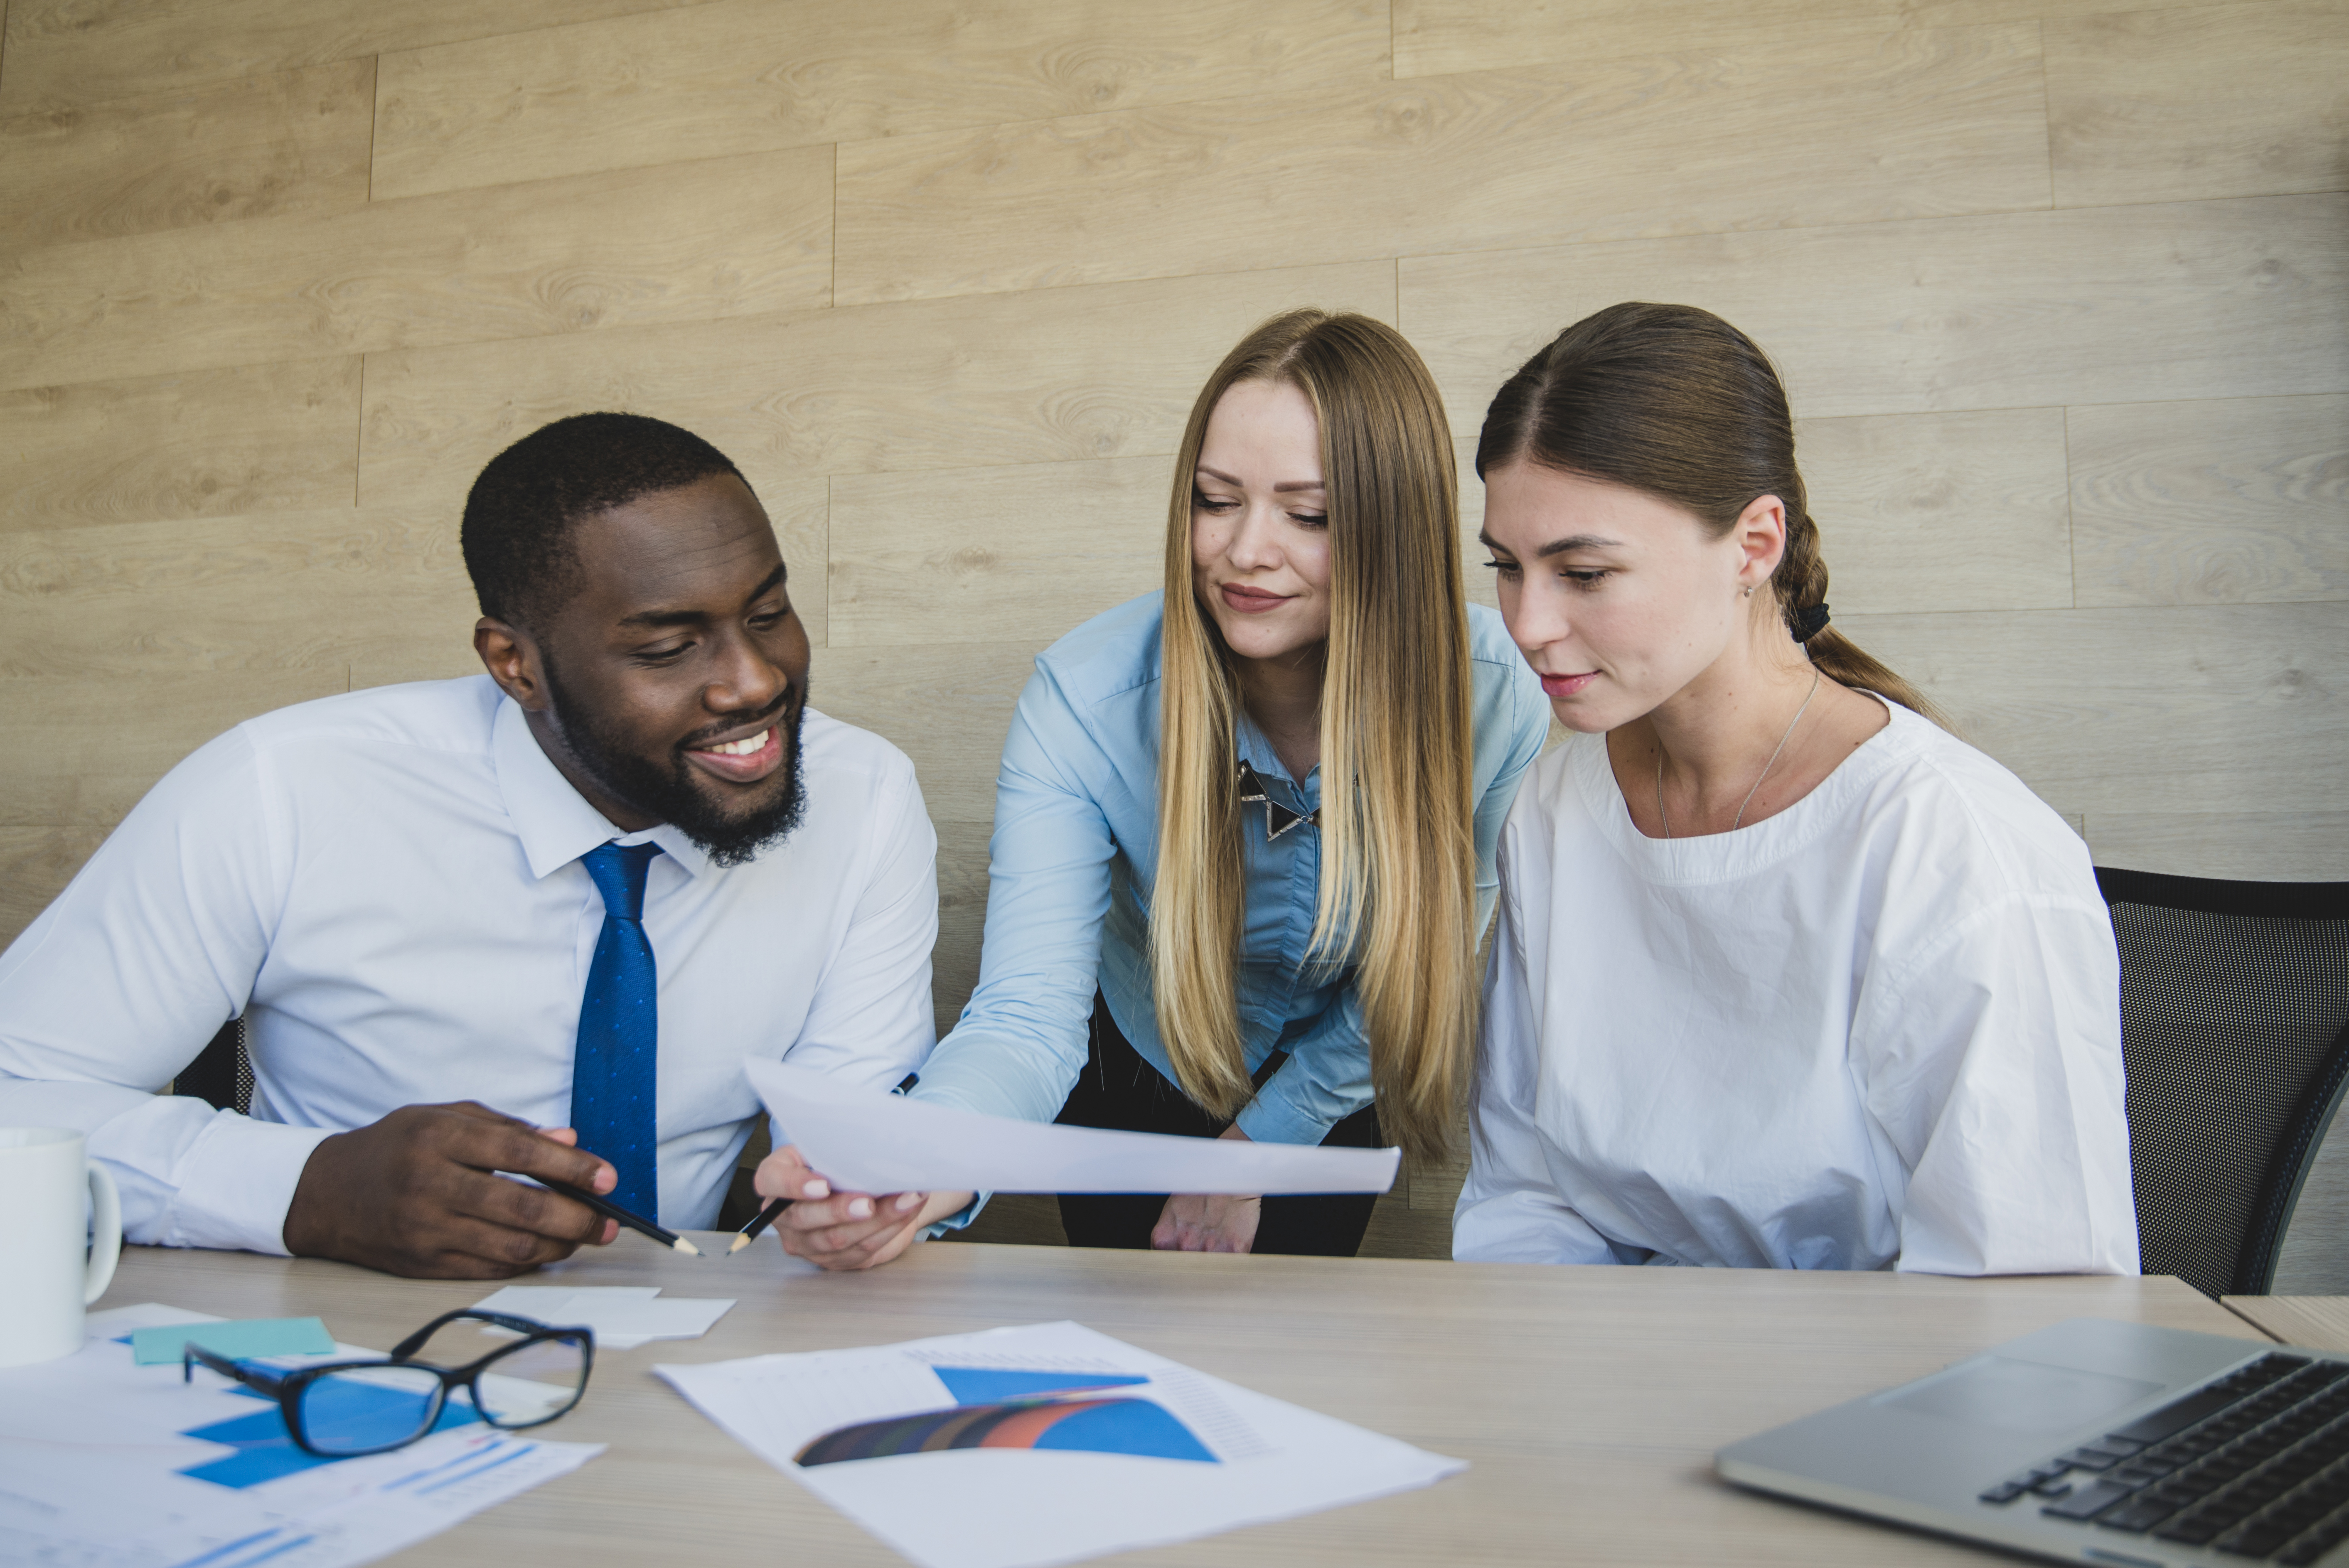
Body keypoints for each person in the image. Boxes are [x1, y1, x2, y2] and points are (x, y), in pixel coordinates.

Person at [0, 413, 939, 1279]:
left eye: (767, 614)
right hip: (335, 1331)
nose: (753, 682)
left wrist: (851, 1195)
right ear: (514, 665)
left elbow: (849, 1128)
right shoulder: (282, 788)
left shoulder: (863, 799)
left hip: (682, 1341)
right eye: (667, 649)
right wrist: (307, 1189)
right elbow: (18, 1098)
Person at [763, 309, 1550, 1268]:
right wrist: (912, 1164)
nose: (1243, 551)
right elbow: (1026, 1013)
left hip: (1338, 1072)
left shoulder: (1501, 692)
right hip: (1133, 1068)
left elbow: (1415, 972)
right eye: (1216, 501)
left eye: (1309, 516)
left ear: (1396, 525)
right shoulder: (1083, 697)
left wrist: (1262, 1146)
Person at [1452, 302, 2139, 1274]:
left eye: (1585, 573)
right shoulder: (1556, 807)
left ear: (1753, 544)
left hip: (1884, 1400)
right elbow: (1525, 1197)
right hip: (1607, 1376)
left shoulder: (1954, 846)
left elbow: (2025, 1295)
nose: (1526, 624)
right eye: (1507, 568)